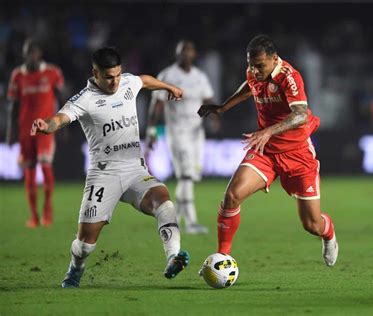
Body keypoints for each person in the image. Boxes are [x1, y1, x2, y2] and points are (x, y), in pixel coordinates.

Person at [30, 47, 189, 288]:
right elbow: (60, 118)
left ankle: (173, 257)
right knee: (85, 245)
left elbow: (144, 81)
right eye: (108, 77)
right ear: (95, 73)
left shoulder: (126, 83)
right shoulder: (84, 99)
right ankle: (75, 270)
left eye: (117, 75)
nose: (115, 82)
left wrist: (169, 87)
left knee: (164, 202)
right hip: (103, 175)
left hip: (135, 170)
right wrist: (46, 125)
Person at [198, 35, 339, 267]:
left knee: (311, 224)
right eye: (251, 65)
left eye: (260, 66)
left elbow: (301, 114)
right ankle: (222, 256)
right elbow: (250, 87)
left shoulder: (290, 77)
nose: (254, 70)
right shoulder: (254, 71)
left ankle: (329, 233)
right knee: (232, 196)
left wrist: (268, 131)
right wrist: (224, 107)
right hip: (267, 151)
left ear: (274, 59)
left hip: (297, 153)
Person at [146, 40, 214, 234]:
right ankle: (191, 223)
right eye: (182, 52)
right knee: (185, 175)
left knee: (190, 177)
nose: (185, 55)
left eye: (189, 51)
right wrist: (151, 132)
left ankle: (174, 217)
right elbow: (156, 105)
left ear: (194, 55)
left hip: (196, 134)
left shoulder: (200, 77)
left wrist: (214, 117)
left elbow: (208, 99)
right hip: (177, 132)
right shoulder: (167, 76)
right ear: (177, 55)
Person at [6, 39, 64, 228]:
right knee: (29, 171)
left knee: (46, 165)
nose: (29, 56)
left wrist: (63, 124)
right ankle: (34, 216)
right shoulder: (17, 75)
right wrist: (10, 131)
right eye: (26, 53)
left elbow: (61, 98)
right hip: (25, 130)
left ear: (38, 54)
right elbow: (13, 106)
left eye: (33, 52)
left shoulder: (52, 73)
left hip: (46, 128)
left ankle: (47, 210)